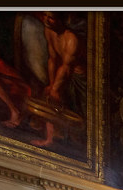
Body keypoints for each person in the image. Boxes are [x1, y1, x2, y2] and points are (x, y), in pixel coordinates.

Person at [30, 11, 87, 148]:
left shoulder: (72, 39)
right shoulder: (49, 31)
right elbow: (52, 59)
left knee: (62, 101)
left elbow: (67, 68)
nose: (47, 20)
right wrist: (51, 84)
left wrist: (55, 88)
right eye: (44, 16)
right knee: (50, 96)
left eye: (51, 18)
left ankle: (64, 139)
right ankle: (50, 138)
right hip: (62, 72)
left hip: (78, 80)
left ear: (60, 19)